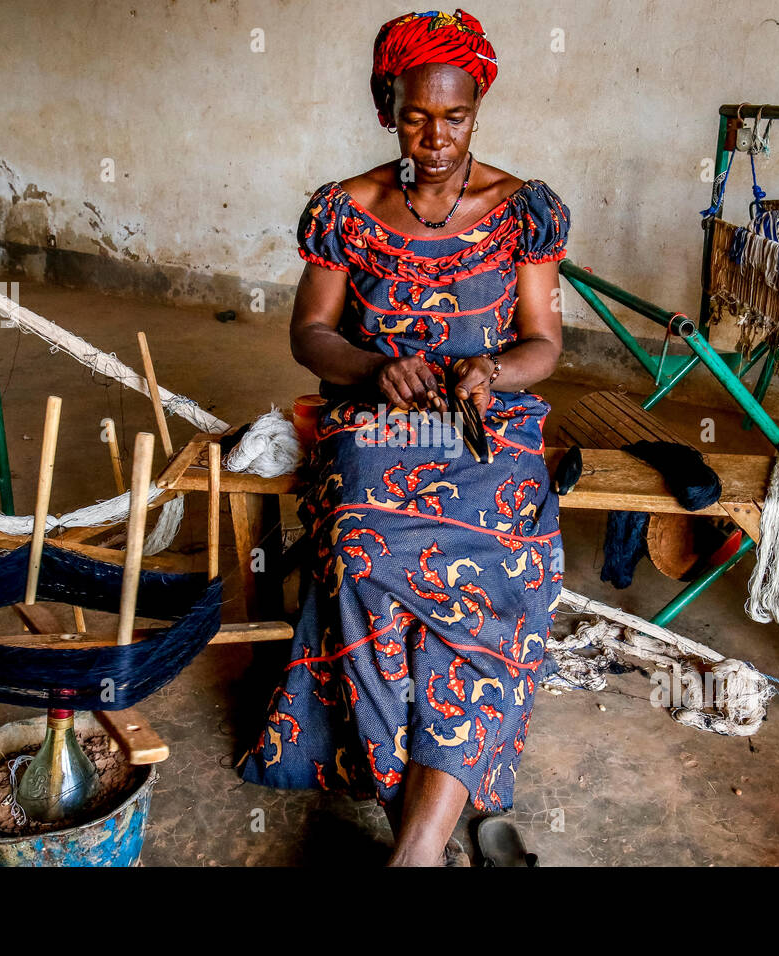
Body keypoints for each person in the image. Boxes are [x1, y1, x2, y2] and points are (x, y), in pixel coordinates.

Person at [239, 8, 570, 867]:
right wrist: (367, 366)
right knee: (354, 553)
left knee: (507, 564)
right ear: (388, 107)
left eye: (454, 116)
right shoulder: (347, 209)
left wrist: (490, 372)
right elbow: (310, 331)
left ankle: (413, 854)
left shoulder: (519, 210)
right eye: (416, 114)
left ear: (478, 110)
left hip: (484, 422)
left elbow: (543, 343)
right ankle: (422, 845)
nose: (435, 137)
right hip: (376, 416)